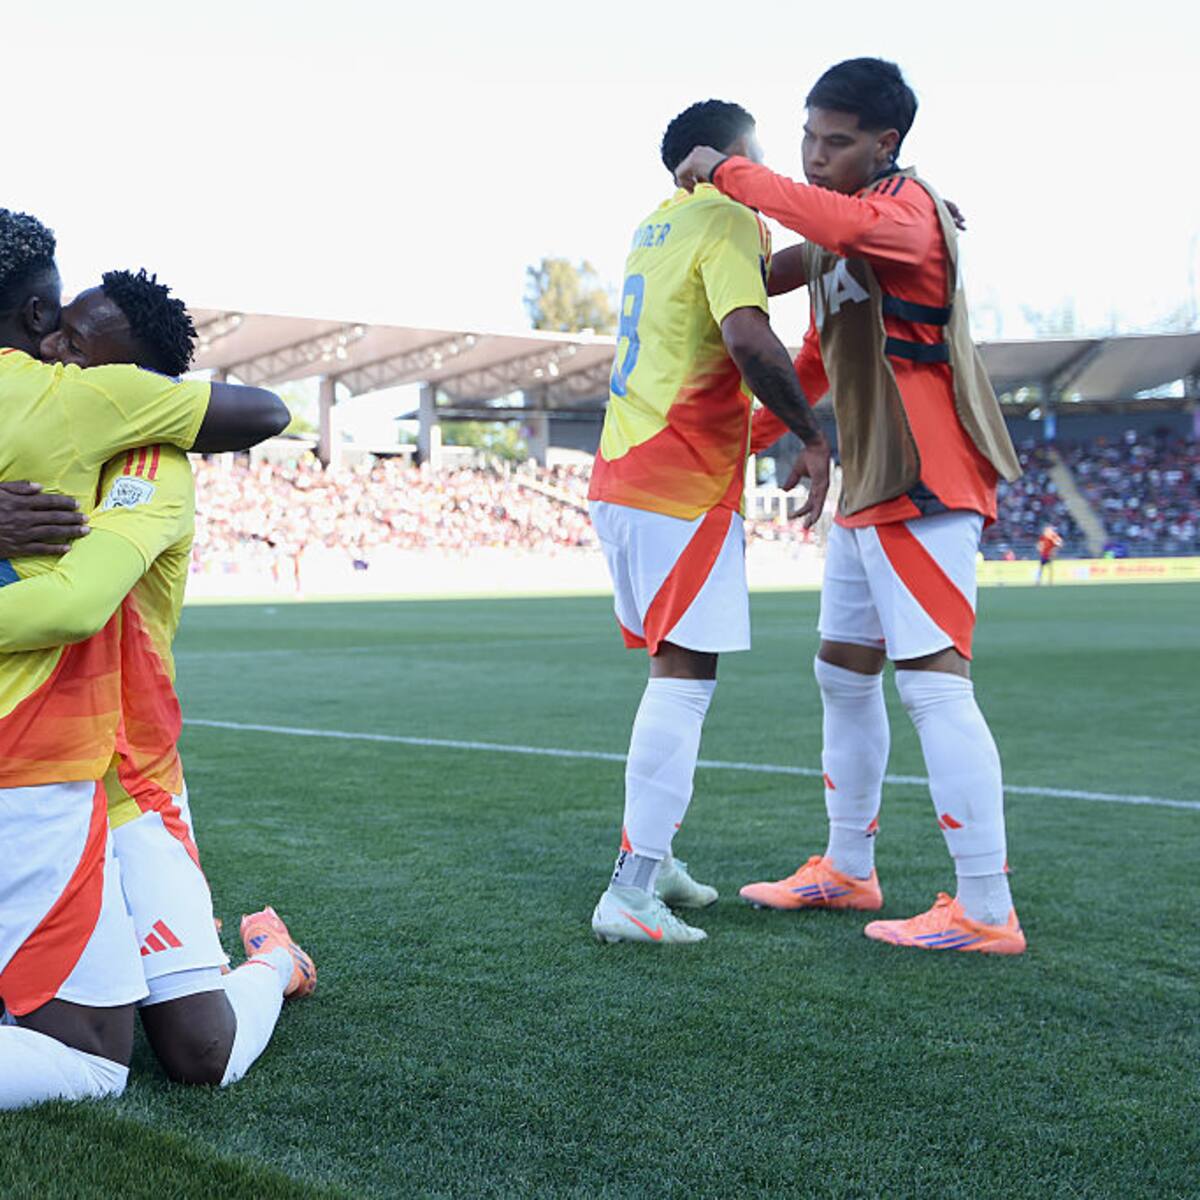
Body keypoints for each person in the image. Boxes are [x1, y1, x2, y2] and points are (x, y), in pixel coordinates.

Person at [675, 59, 1027, 954]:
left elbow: (815, 219)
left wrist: (722, 167)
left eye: (837, 141)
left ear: (886, 144)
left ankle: (986, 907)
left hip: (925, 480)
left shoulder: (902, 212)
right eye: (808, 137)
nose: (816, 155)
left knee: (936, 688)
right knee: (842, 673)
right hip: (872, 488)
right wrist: (742, 438)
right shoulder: (848, 236)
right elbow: (815, 353)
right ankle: (847, 869)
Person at [0, 207, 290, 1109]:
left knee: (196, 1052)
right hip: (56, 763)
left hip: (130, 776)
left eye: (84, 348)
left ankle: (278, 963)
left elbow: (74, 603)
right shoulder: (54, 424)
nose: (59, 355)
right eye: (59, 334)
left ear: (137, 381)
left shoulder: (152, 464)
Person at [588, 100, 831, 946]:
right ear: (737, 154)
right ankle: (630, 887)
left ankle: (655, 858)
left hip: (626, 472)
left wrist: (848, 239)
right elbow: (748, 335)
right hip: (680, 486)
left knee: (675, 676)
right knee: (684, 685)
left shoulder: (662, 223)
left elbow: (754, 283)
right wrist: (811, 434)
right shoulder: (730, 213)